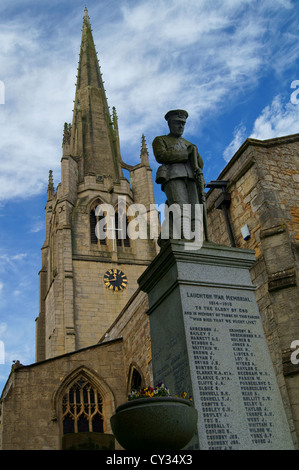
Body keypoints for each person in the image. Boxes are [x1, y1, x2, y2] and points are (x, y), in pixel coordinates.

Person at [152, 109, 208, 243]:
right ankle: (184, 237)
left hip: (192, 179)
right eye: (177, 123)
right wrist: (186, 154)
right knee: (180, 207)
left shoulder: (190, 144)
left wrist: (194, 153)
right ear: (170, 124)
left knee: (195, 209)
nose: (181, 126)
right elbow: (161, 156)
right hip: (173, 176)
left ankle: (195, 238)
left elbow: (200, 164)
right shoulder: (161, 140)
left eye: (183, 124)